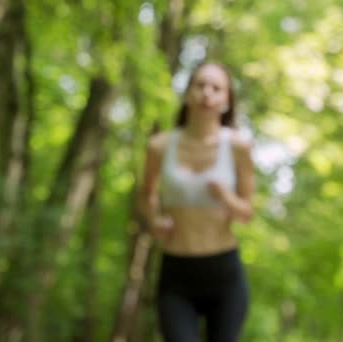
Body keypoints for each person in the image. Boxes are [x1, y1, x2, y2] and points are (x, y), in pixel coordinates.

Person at [138, 62, 255, 342]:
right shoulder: (160, 146)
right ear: (188, 92)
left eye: (216, 88)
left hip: (224, 274)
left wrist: (226, 196)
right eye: (200, 85)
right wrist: (154, 221)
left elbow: (248, 213)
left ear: (226, 100)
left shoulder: (238, 146)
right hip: (177, 274)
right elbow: (146, 195)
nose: (207, 93)